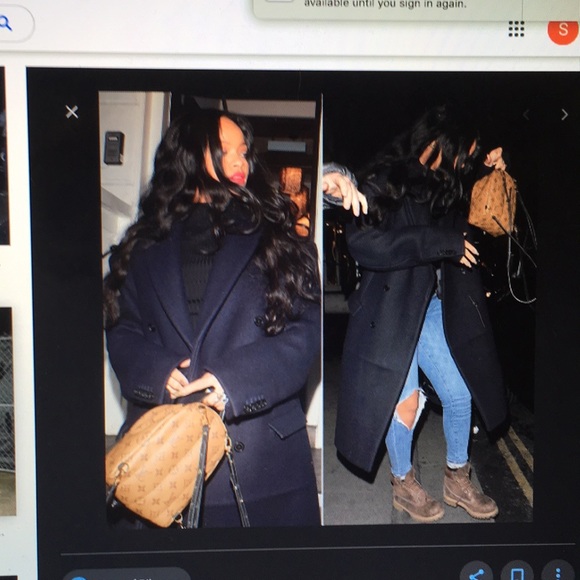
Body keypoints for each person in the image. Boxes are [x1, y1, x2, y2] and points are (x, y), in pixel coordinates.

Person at [104, 109, 322, 528]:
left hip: (260, 457)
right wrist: (156, 370)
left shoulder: (279, 238)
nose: (241, 161)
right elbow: (122, 327)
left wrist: (233, 382)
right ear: (188, 154)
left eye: (244, 151)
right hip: (162, 459)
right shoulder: (144, 244)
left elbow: (305, 332)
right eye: (225, 150)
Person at [334, 104, 508, 523]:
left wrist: (493, 173)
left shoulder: (445, 186)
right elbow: (364, 245)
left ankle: (456, 478)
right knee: (406, 405)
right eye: (462, 154)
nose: (464, 163)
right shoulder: (384, 178)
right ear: (438, 143)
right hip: (389, 310)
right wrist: (434, 241)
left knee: (460, 393)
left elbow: (476, 219)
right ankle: (403, 483)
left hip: (430, 305)